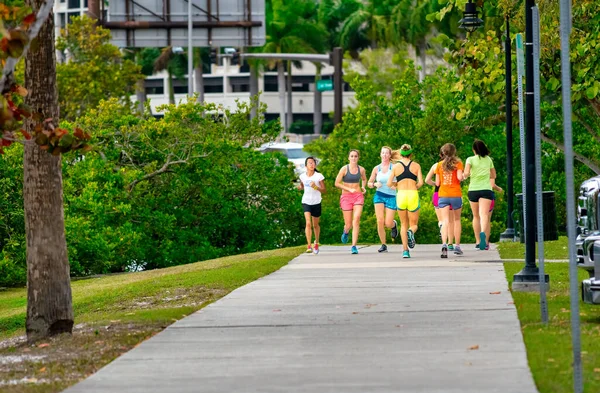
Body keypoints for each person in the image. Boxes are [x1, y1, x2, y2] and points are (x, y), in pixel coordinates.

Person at [463, 140, 504, 250]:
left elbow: (466, 173)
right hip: (486, 190)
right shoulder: (488, 159)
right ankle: (484, 240)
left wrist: (465, 175)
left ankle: (477, 241)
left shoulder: (470, 159)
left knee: (476, 216)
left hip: (473, 190)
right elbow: (493, 174)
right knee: (484, 215)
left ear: (474, 150)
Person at [387, 144, 423, 259]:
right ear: (411, 154)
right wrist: (414, 186)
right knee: (414, 224)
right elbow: (421, 182)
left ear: (401, 154)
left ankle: (405, 251)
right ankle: (411, 231)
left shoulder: (395, 167)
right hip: (412, 194)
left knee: (403, 224)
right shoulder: (416, 165)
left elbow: (388, 183)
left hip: (401, 195)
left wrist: (396, 185)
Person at [335, 149, 368, 254]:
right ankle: (346, 231)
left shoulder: (361, 169)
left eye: (356, 156)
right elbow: (336, 183)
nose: (354, 158)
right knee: (348, 224)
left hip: (358, 196)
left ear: (358, 158)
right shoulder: (344, 169)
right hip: (346, 197)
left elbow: (364, 179)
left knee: (357, 219)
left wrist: (363, 187)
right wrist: (349, 189)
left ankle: (354, 246)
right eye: (352, 156)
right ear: (349, 158)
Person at [367, 146, 399, 253]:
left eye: (386, 153)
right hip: (379, 195)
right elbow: (369, 183)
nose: (384, 155)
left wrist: (394, 185)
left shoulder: (394, 167)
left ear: (390, 155)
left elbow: (400, 181)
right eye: (383, 153)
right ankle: (383, 244)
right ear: (380, 154)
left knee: (387, 223)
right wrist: (374, 184)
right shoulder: (377, 168)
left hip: (391, 196)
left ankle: (393, 225)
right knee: (379, 220)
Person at [435, 143, 464, 258]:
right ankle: (457, 246)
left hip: (443, 195)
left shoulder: (439, 165)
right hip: (456, 195)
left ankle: (444, 245)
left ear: (443, 153)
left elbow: (437, 183)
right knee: (456, 220)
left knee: (445, 221)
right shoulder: (458, 164)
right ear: (454, 152)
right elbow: (459, 178)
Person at [425, 154, 455, 250]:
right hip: (451, 193)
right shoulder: (454, 165)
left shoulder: (436, 165)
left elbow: (427, 180)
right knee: (451, 221)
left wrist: (435, 184)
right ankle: (450, 243)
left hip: (438, 194)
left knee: (442, 220)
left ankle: (443, 235)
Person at [298, 157, 325, 254]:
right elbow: (302, 185)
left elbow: (324, 190)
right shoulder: (302, 176)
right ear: (306, 166)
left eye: (313, 163)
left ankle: (316, 242)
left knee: (315, 225)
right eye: (310, 163)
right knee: (308, 223)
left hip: (316, 202)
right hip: (306, 201)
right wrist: (299, 187)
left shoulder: (319, 176)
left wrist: (316, 187)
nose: (312, 164)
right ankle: (309, 245)